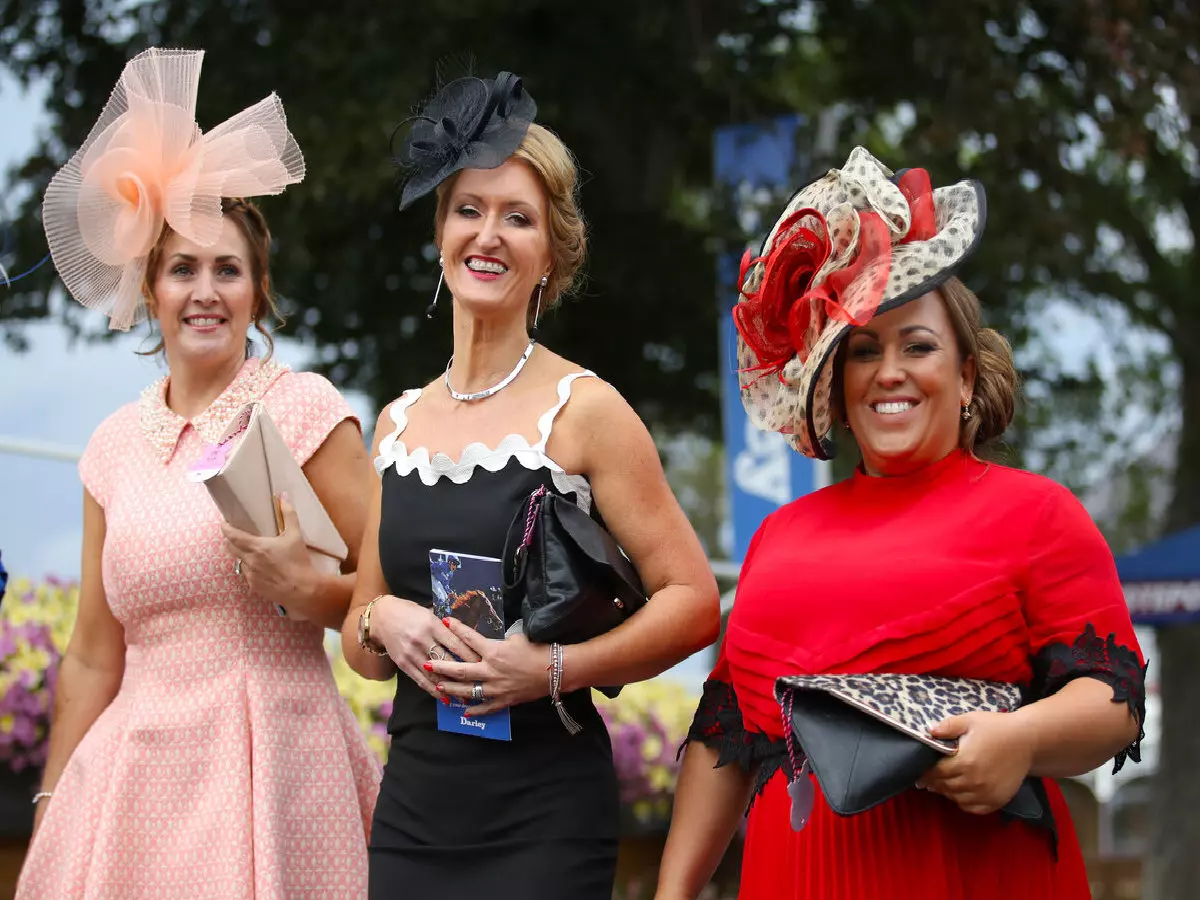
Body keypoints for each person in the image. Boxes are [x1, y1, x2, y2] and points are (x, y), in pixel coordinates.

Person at [655, 147, 1146, 900]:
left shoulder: (1037, 513)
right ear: (837, 387)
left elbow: (1113, 700)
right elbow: (726, 736)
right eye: (862, 351)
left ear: (967, 376)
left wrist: (1020, 738)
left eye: (918, 346)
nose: (889, 372)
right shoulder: (780, 537)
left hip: (973, 875)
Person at [340, 71, 721, 899]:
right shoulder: (396, 425)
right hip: (410, 818)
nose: (490, 234)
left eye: (519, 218)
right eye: (470, 209)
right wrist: (383, 618)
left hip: (544, 822)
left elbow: (693, 600)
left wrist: (550, 668)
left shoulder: (586, 412)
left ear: (552, 254)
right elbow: (359, 652)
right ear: (442, 232)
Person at [18, 48, 379, 899]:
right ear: (150, 290)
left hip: (277, 764)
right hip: (131, 784)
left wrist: (314, 591)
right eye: (183, 268)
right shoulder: (109, 445)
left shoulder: (302, 408)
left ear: (258, 292)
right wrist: (51, 807)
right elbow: (92, 658)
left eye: (228, 269)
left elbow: (391, 585)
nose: (205, 290)